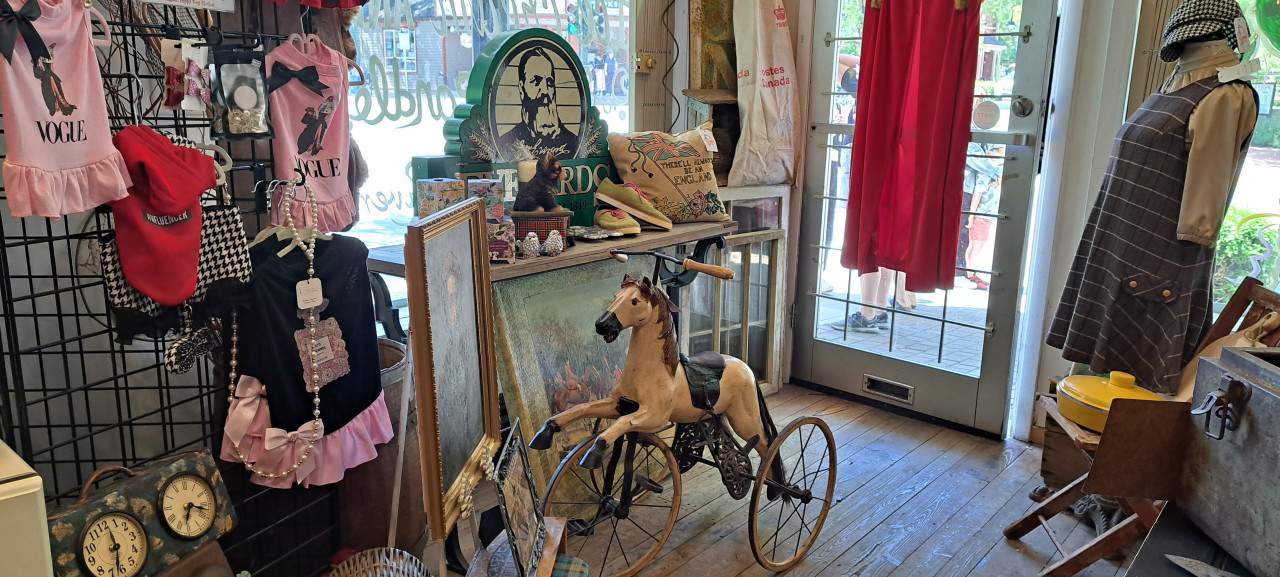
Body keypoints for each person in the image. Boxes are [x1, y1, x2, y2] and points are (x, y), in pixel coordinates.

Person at [496, 47, 580, 157]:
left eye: (549, 82)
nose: (545, 90)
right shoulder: (506, 144)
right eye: (536, 81)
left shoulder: (573, 142)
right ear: (521, 89)